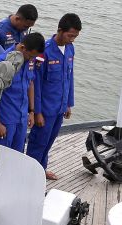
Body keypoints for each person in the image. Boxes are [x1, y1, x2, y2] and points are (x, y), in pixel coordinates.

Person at [27, 13, 81, 180]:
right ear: (60, 30)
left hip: (59, 108)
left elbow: (69, 77)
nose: (72, 39)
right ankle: (30, 175)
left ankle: (41, 171)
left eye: (75, 36)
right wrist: (37, 112)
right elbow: (36, 84)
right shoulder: (45, 51)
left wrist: (68, 104)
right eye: (70, 35)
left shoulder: (70, 49)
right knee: (38, 144)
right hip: (46, 110)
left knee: (49, 142)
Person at [0, 33, 45, 164]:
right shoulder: (2, 61)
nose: (31, 59)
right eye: (31, 56)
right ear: (23, 48)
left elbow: (30, 83)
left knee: (16, 158)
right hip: (5, 120)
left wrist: (31, 111)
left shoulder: (29, 60)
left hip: (21, 119)